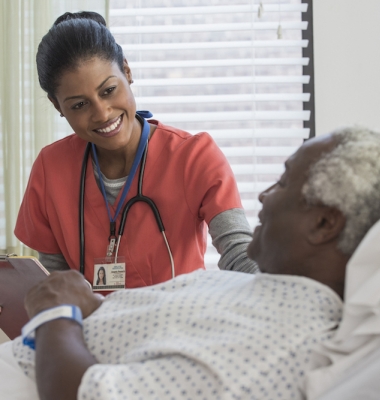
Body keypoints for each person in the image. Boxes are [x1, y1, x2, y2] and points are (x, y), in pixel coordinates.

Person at [2, 126, 380, 400]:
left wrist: (58, 313)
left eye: (282, 181)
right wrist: (89, 307)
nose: (263, 195)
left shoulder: (272, 348)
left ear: (324, 223)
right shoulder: (259, 291)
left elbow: (82, 394)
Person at [14, 11, 258, 290]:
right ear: (58, 106)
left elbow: (239, 253)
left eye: (108, 90)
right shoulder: (51, 168)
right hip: (89, 331)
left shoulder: (194, 156)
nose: (102, 113)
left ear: (127, 72)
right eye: (79, 105)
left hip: (179, 326)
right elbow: (54, 283)